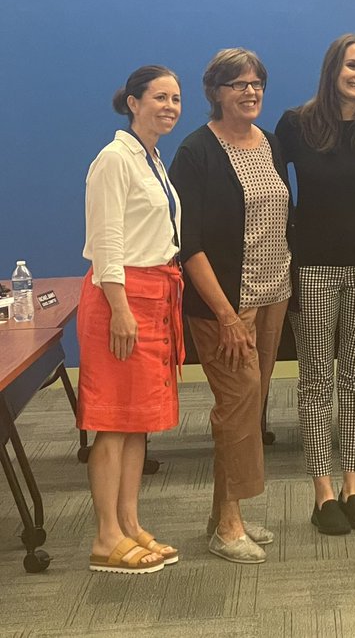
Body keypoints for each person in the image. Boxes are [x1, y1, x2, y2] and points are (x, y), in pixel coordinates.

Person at [169, 48, 292, 563]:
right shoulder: (196, 152)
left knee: (248, 407)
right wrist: (224, 315)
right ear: (214, 92)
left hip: (273, 295)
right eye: (237, 83)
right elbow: (187, 243)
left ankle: (227, 512)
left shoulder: (269, 143)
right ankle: (227, 525)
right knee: (237, 406)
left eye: (257, 82)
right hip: (225, 305)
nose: (250, 91)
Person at [276, 34, 355, 534]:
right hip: (314, 268)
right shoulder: (296, 124)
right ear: (333, 69)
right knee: (317, 378)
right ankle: (323, 491)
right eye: (352, 66)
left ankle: (354, 486)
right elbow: (277, 199)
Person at [78, 66, 184, 574]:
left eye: (176, 99)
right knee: (113, 422)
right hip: (119, 300)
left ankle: (129, 523)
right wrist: (120, 309)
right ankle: (105, 538)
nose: (169, 106)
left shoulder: (152, 158)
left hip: (154, 295)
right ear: (133, 102)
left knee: (138, 422)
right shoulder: (114, 160)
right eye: (159, 97)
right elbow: (107, 243)